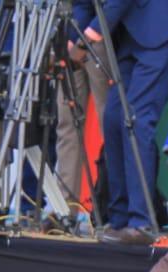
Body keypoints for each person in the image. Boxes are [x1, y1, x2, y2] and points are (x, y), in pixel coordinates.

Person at [71, 0, 168, 245]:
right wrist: (69, 38)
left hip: (163, 27)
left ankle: (141, 222)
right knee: (114, 118)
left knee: (136, 119)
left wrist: (88, 36)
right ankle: (118, 218)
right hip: (129, 34)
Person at [57, 32, 113, 207]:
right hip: (68, 37)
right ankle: (65, 207)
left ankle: (117, 207)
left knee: (111, 124)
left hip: (100, 36)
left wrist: (91, 32)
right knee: (67, 125)